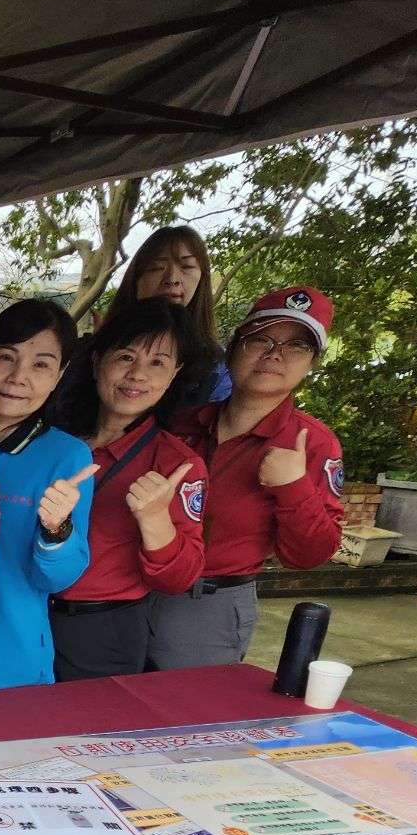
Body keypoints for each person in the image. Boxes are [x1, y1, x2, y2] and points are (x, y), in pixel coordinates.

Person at [150, 286, 346, 670]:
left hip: (207, 607)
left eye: (296, 346)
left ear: (312, 363)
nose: (274, 354)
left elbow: (310, 555)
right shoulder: (182, 424)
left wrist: (293, 488)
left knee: (183, 707)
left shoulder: (313, 443)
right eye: (261, 339)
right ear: (235, 347)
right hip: (134, 589)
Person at [48, 300, 210, 679]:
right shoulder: (54, 441)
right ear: (97, 361)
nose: (138, 374)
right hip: (28, 616)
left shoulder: (175, 464)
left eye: (158, 363)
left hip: (103, 630)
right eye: (125, 357)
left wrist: (155, 520)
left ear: (174, 374)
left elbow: (179, 579)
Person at [0, 300, 96, 693]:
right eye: (6, 357)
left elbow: (58, 578)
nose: (18, 377)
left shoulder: (66, 457)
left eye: (41, 365)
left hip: (5, 665)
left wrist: (57, 529)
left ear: (60, 375)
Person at [104, 225, 227, 405]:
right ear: (136, 279)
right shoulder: (100, 346)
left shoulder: (217, 368)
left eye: (187, 266)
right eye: (156, 268)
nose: (172, 279)